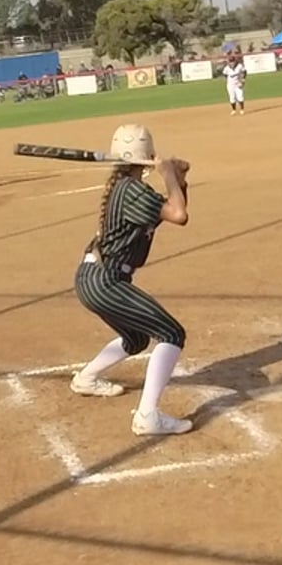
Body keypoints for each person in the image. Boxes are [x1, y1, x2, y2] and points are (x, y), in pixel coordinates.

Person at [67, 124, 196, 437]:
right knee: (172, 333)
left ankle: (86, 378)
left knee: (136, 339)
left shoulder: (129, 189)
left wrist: (178, 179)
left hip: (96, 278)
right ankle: (147, 416)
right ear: (147, 155)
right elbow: (179, 215)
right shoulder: (131, 191)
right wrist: (168, 174)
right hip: (105, 280)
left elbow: (172, 208)